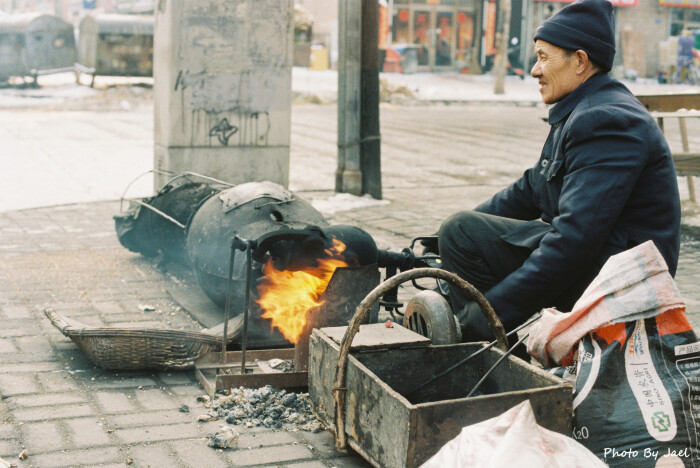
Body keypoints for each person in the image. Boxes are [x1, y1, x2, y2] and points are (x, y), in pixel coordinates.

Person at [437, 0, 681, 343]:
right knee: (460, 231)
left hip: (623, 281)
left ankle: (483, 349)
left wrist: (481, 317)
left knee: (462, 234)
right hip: (602, 258)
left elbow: (573, 242)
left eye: (543, 57)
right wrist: (433, 245)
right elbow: (529, 190)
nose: (535, 70)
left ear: (580, 61)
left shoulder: (607, 121)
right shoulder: (583, 109)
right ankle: (498, 349)